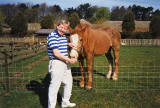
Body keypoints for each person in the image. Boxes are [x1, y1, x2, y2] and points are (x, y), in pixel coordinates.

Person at [47, 20, 77, 108]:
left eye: (65, 28)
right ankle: (51, 106)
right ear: (57, 26)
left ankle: (65, 102)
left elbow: (60, 45)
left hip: (64, 63)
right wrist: (69, 59)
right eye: (61, 27)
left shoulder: (63, 36)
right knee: (55, 86)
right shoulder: (52, 36)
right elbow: (56, 53)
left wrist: (68, 44)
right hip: (56, 62)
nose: (62, 29)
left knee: (68, 82)